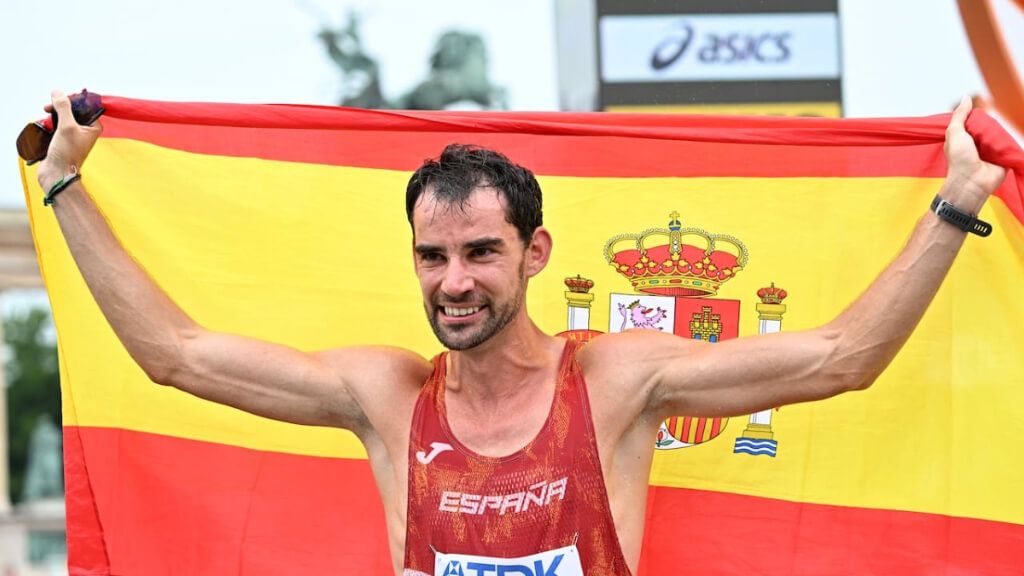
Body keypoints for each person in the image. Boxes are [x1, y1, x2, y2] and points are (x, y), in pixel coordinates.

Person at [36, 90, 1006, 576]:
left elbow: (842, 360)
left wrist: (957, 201)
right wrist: (65, 187)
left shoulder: (618, 380)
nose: (453, 282)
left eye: (479, 253)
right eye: (432, 256)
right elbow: (176, 357)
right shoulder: (383, 395)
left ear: (534, 252)